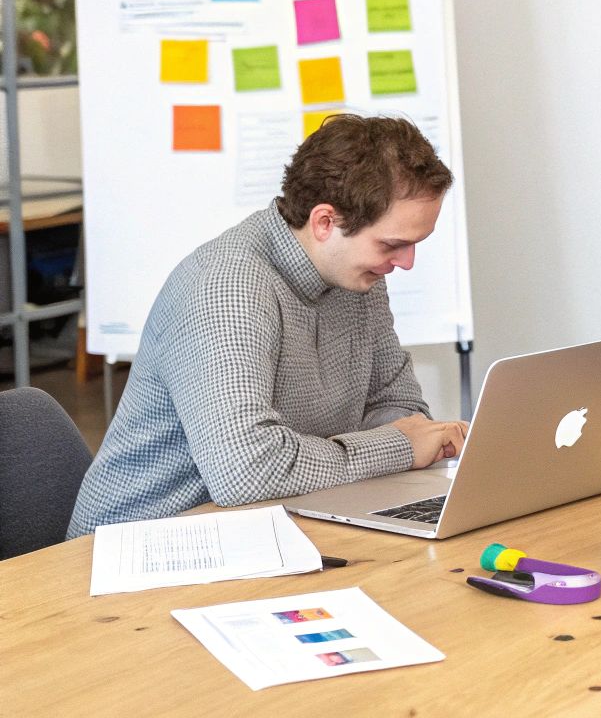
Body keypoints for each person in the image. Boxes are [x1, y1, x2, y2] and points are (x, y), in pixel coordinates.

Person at [67, 116, 470, 538]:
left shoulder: (357, 275)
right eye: (392, 244)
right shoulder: (225, 288)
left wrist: (414, 437)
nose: (406, 263)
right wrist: (400, 446)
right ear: (324, 222)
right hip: (138, 547)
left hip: (263, 525)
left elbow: (398, 406)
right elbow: (247, 470)